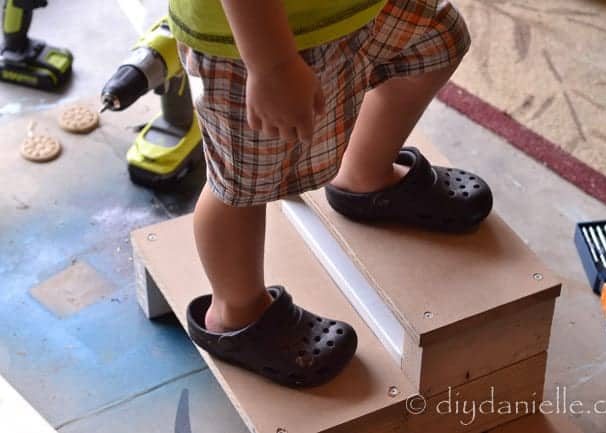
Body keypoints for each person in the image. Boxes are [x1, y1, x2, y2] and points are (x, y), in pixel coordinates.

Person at [172, 0, 493, 388]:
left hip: (356, 9)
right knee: (241, 183)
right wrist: (271, 66)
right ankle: (236, 312)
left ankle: (364, 175)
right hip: (257, 40)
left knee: (438, 43)